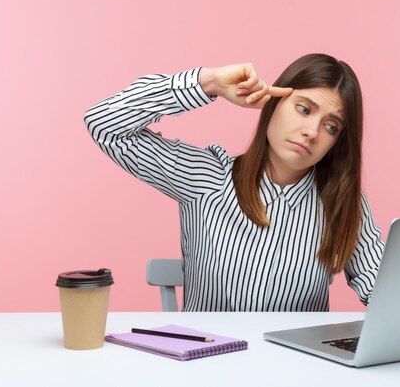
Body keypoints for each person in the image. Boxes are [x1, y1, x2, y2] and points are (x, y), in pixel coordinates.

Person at [84, 53, 384, 312]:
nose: (311, 131)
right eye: (303, 109)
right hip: (209, 366)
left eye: (331, 127)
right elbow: (105, 124)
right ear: (272, 104)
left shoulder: (342, 201)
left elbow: (383, 288)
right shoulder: (206, 177)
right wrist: (209, 83)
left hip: (294, 370)